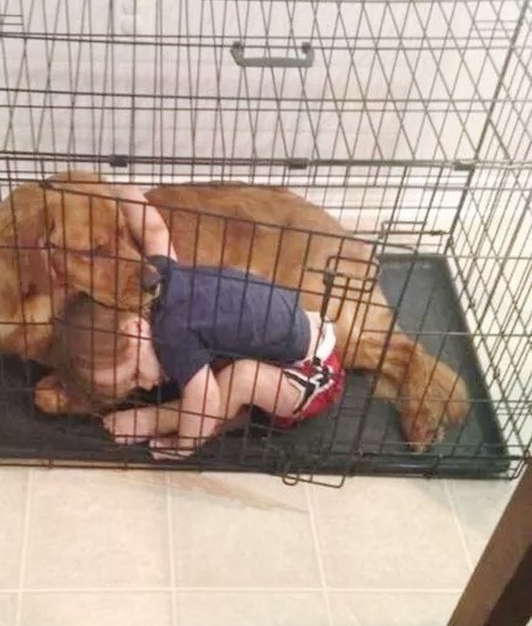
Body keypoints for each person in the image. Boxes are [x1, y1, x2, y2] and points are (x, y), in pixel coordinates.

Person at [51, 184, 345, 459]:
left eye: (135, 375)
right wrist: (118, 191)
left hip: (311, 377)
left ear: (136, 328)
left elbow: (204, 401)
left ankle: (176, 423)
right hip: (310, 326)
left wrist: (182, 445)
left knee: (238, 379)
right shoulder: (160, 278)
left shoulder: (173, 336)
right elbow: (154, 231)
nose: (146, 387)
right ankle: (237, 413)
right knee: (227, 364)